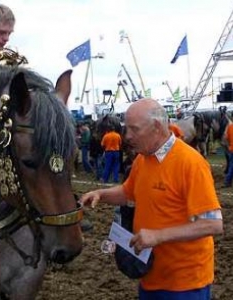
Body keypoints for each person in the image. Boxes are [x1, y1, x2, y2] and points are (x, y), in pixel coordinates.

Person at [81, 98, 223, 299]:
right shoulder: (143, 159)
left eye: (134, 129)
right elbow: (127, 193)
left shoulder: (190, 164)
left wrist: (158, 236)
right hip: (150, 276)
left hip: (185, 284)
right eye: (126, 129)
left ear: (156, 127)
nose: (127, 136)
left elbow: (212, 225)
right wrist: (101, 195)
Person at [222, 117, 233, 187]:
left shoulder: (230, 127)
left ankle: (227, 181)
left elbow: (225, 138)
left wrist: (229, 146)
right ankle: (227, 181)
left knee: (231, 166)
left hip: (231, 149)